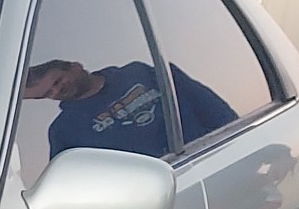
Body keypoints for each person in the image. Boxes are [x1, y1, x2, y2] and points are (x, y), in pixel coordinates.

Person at [22, 58, 238, 161]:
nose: (58, 90)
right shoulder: (65, 132)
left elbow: (216, 111)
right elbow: (73, 193)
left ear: (75, 66)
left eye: (58, 81)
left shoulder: (141, 72)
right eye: (48, 93)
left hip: (214, 161)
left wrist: (237, 148)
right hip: (155, 208)